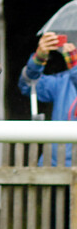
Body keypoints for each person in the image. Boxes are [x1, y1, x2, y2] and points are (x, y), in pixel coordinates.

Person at [18, 32, 77, 166]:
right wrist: (38, 59)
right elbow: (28, 85)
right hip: (53, 170)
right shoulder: (64, 80)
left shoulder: (72, 73)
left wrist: (75, 68)